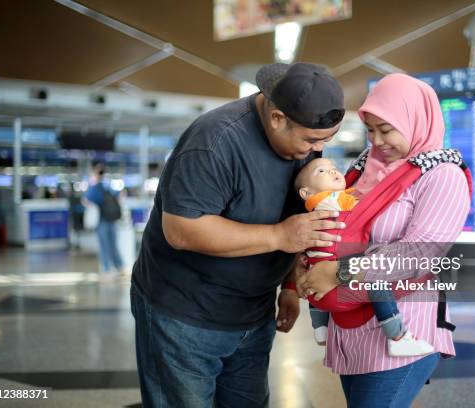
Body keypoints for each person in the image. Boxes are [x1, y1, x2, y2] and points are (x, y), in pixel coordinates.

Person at [130, 62, 347, 407]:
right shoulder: (214, 142)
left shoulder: (305, 144)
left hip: (253, 314)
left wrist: (290, 285)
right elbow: (182, 230)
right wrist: (278, 236)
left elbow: (297, 216)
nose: (315, 151)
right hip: (185, 315)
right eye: (310, 140)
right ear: (277, 117)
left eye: (324, 141)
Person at [297, 74, 471, 408]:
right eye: (371, 130)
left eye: (387, 129)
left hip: (402, 328)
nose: (377, 140)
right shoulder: (366, 169)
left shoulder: (442, 176)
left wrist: (337, 273)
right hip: (351, 331)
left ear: (415, 119)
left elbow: (419, 254)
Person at [295, 157, 435, 356]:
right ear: (306, 193)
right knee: (377, 282)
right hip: (332, 289)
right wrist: (411, 171)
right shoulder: (333, 201)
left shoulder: (315, 211)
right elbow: (374, 203)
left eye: (334, 168)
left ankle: (320, 328)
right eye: (321, 172)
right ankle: (398, 337)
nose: (333, 172)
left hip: (314, 292)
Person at [84, 163, 125, 280]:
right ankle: (120, 267)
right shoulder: (109, 186)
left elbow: (86, 199)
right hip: (112, 219)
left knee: (104, 246)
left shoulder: (95, 187)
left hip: (101, 220)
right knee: (113, 245)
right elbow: (120, 195)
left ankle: (106, 269)